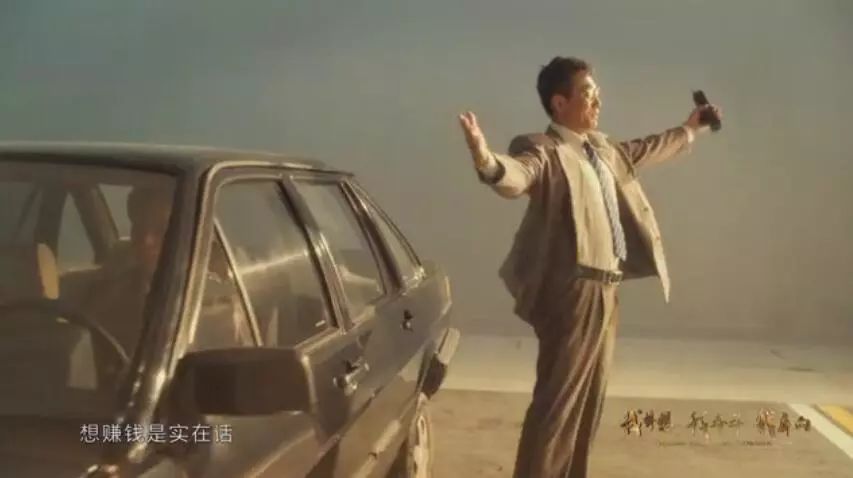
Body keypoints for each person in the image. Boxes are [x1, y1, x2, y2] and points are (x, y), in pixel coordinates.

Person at [458, 56, 721, 478]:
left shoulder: (604, 151)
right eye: (587, 92)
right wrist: (486, 161)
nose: (597, 100)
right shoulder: (544, 149)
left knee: (588, 408)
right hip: (573, 292)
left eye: (596, 92)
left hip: (607, 291)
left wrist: (692, 128)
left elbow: (651, 148)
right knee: (557, 407)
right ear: (559, 103)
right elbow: (517, 176)